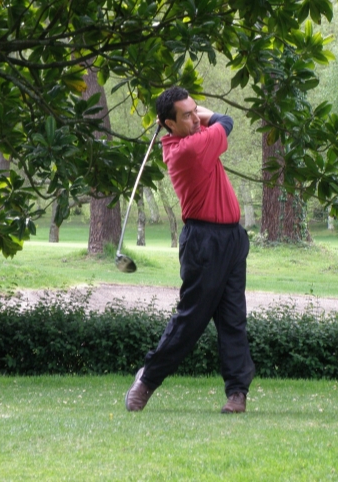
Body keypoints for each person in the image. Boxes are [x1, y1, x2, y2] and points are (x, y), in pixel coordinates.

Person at [124, 86, 255, 414]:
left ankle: (237, 392)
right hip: (204, 242)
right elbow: (226, 120)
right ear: (169, 124)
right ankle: (147, 381)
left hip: (232, 239)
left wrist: (192, 112)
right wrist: (205, 116)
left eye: (196, 110)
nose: (196, 118)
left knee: (233, 319)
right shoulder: (190, 150)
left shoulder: (192, 134)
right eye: (187, 115)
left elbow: (208, 119)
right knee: (192, 319)